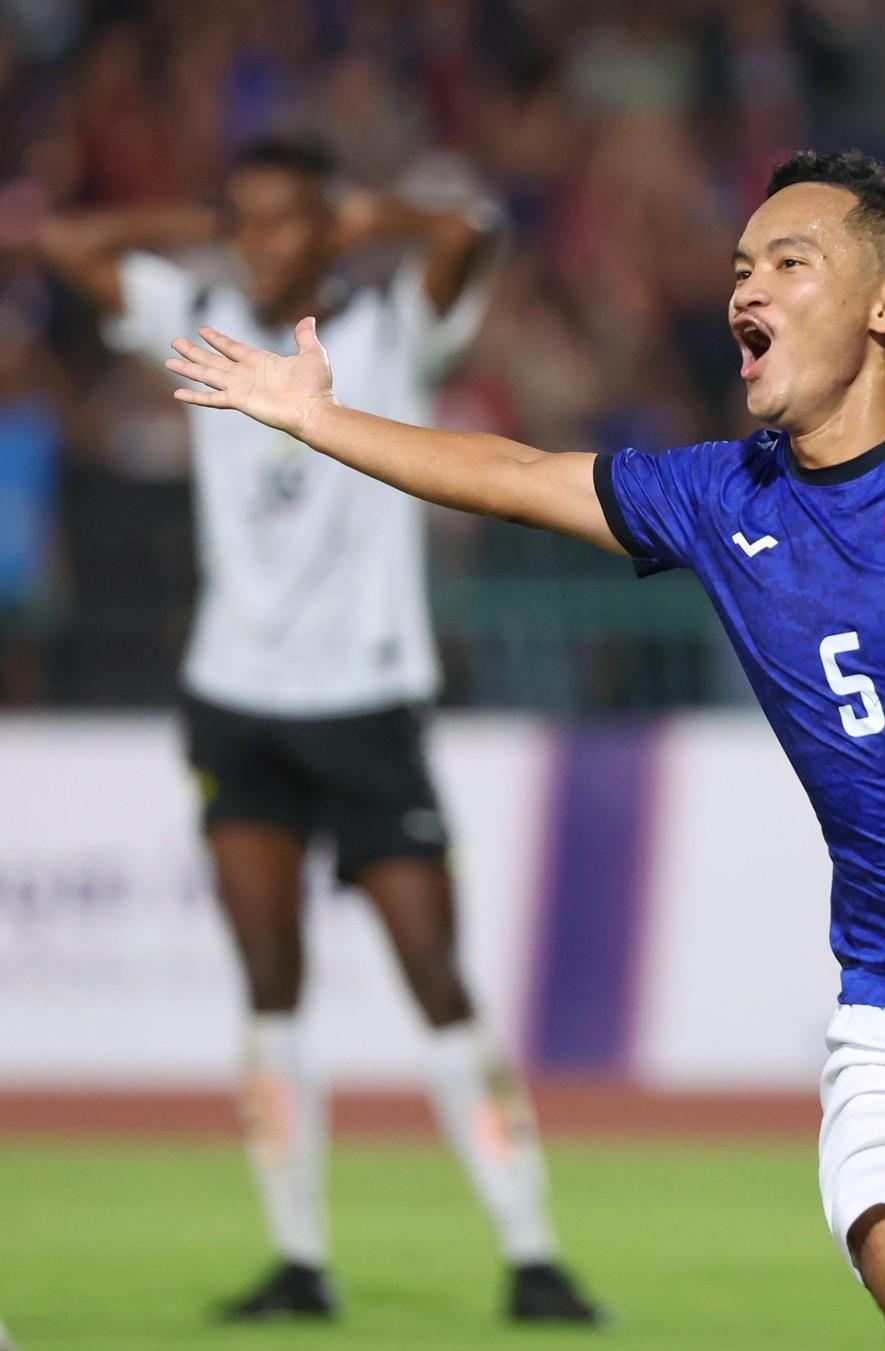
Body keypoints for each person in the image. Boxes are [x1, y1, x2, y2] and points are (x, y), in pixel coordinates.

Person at [161, 148, 885, 1351]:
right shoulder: (724, 497)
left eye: (787, 261)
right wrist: (318, 415)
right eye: (738, 267)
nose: (743, 291)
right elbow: (512, 476)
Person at [37, 139, 602, 1325]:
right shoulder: (194, 308)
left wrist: (363, 214)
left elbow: (469, 228)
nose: (255, 242)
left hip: (367, 700)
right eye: (240, 221)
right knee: (270, 978)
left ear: (329, 230)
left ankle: (531, 1249)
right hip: (235, 699)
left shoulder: (395, 324)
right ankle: (300, 1260)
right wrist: (201, 210)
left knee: (433, 972)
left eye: (281, 221)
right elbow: (65, 242)